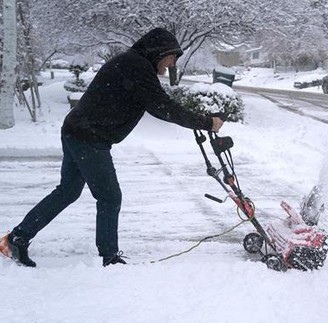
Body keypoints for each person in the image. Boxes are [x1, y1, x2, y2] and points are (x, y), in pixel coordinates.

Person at [0, 27, 223, 267]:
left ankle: (17, 238)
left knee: (68, 191)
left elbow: (161, 104)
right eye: (171, 58)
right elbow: (162, 107)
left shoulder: (134, 64)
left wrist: (201, 120)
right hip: (89, 136)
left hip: (78, 130)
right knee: (109, 196)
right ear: (159, 52)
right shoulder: (137, 67)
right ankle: (109, 257)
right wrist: (206, 122)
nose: (170, 65)